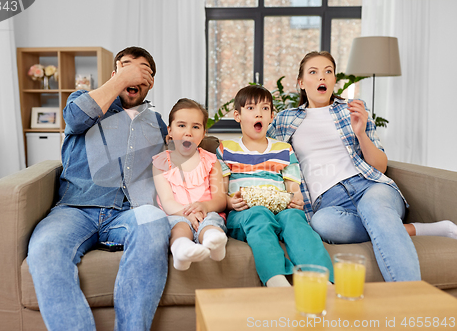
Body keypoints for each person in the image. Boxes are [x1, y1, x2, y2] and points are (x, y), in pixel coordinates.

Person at [267, 51, 457, 282]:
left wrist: (361, 133)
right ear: (301, 82)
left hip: (369, 186)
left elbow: (380, 166)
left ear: (334, 80)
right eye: (313, 72)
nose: (322, 78)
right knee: (321, 223)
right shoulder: (284, 119)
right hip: (327, 201)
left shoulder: (352, 109)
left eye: (328, 72)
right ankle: (412, 228)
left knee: (374, 208)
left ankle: (409, 298)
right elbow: (263, 154)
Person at [27, 47, 171, 331]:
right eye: (126, 67)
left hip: (129, 212)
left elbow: (175, 164)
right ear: (114, 74)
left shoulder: (156, 122)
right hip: (75, 208)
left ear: (150, 82)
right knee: (44, 248)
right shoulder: (82, 101)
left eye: (142, 71)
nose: (134, 73)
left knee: (155, 226)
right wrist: (121, 79)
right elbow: (76, 119)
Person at [217, 85, 334, 287]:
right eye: (251, 108)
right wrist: (229, 202)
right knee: (259, 215)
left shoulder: (283, 149)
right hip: (245, 213)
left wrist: (296, 199)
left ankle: (323, 280)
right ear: (237, 115)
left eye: (264, 109)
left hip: (280, 208)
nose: (258, 114)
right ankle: (275, 279)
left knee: (295, 219)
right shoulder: (226, 149)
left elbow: (292, 187)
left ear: (272, 116)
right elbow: (220, 191)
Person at [152, 99, 228, 271]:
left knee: (212, 222)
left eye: (195, 127)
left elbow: (220, 199)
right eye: (181, 126)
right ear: (170, 131)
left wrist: (203, 206)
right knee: (179, 227)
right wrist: (187, 214)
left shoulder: (210, 161)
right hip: (176, 214)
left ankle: (214, 242)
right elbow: (167, 201)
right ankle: (181, 250)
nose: (188, 132)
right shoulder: (161, 162)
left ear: (203, 133)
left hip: (206, 213)